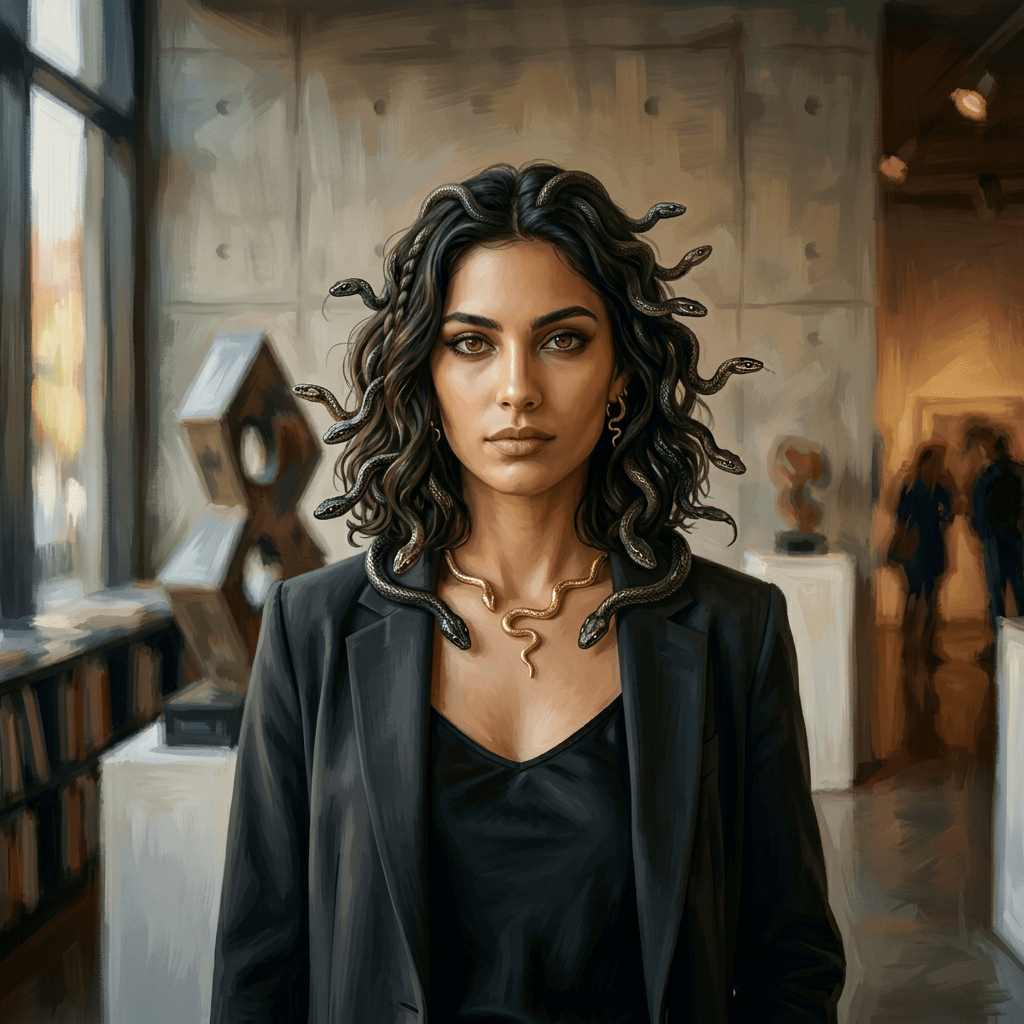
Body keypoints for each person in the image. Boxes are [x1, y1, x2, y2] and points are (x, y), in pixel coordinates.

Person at [211, 163, 845, 1023]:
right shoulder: (309, 630)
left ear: (622, 374)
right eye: (472, 343)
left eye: (563, 340)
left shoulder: (736, 631)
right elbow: (256, 975)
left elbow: (792, 961)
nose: (517, 388)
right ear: (425, 374)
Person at [887, 445, 954, 756]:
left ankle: (926, 646)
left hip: (932, 547)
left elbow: (949, 512)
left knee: (931, 597)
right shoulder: (914, 485)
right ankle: (911, 644)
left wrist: (941, 510)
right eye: (932, 462)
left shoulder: (937, 485)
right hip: (917, 548)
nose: (934, 467)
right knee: (915, 595)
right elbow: (901, 514)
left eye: (936, 463)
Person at [968, 427, 1024, 644]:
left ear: (994, 450)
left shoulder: (988, 474)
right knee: (1019, 590)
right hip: (1015, 539)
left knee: (997, 594)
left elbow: (978, 507)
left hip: (995, 540)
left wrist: (983, 534)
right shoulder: (1019, 471)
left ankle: (1000, 641)